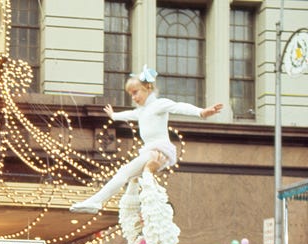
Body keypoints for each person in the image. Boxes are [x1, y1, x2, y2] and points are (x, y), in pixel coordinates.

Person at [71, 65, 223, 214]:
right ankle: (102, 203)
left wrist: (201, 112)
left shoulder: (158, 105)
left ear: (148, 88)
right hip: (152, 150)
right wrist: (114, 116)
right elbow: (129, 114)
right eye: (131, 94)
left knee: (124, 173)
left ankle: (95, 202)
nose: (134, 97)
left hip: (159, 150)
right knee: (129, 177)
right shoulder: (141, 111)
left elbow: (179, 106)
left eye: (135, 92)